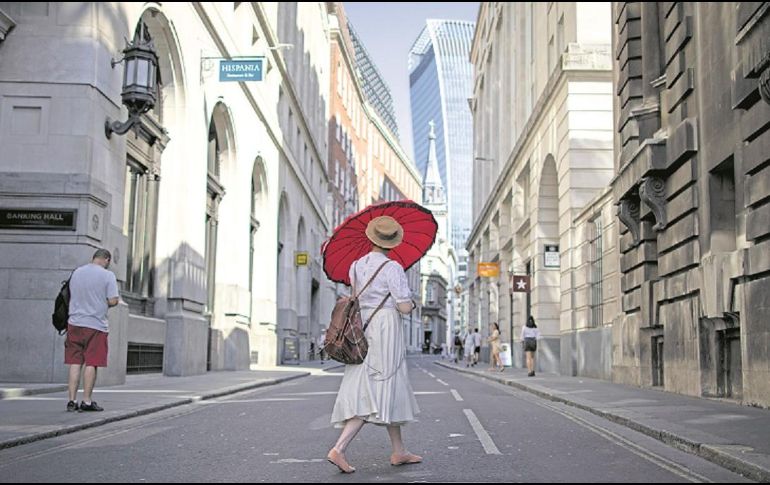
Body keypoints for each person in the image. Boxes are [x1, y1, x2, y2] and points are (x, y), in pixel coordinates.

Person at [327, 216, 422, 474]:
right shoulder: (392, 268)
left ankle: (399, 451)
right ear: (392, 243)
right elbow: (403, 307)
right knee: (375, 388)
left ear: (370, 238)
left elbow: (357, 297)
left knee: (381, 386)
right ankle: (339, 448)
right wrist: (410, 303)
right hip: (385, 329)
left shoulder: (356, 265)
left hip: (362, 328)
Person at [65, 249, 119, 412]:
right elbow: (113, 300)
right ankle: (86, 401)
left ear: (93, 258)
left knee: (75, 362)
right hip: (96, 325)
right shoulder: (107, 275)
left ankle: (72, 401)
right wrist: (103, 303)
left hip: (74, 323)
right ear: (107, 260)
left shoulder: (77, 272)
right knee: (92, 362)